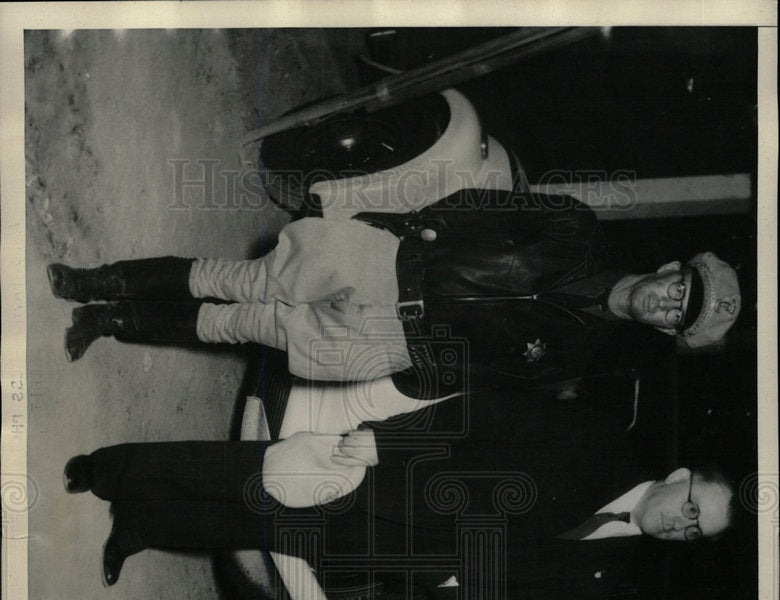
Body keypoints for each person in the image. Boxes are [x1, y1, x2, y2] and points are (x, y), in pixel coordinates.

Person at [62, 390, 736, 600]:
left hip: (393, 554)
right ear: (678, 475)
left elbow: (503, 599)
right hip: (388, 478)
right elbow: (481, 411)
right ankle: (110, 470)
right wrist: (387, 440)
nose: (684, 524)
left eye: (697, 531)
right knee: (244, 474)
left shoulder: (611, 574)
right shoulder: (594, 439)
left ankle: (143, 524)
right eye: (694, 506)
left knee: (250, 524)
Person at [47, 190, 742, 395]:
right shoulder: (576, 230)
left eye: (676, 314)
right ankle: (96, 280)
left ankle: (110, 321)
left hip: (387, 339)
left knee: (239, 327)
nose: (664, 301)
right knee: (234, 280)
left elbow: (471, 374)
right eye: (678, 288)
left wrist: (401, 348)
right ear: (671, 267)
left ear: (664, 331)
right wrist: (411, 230)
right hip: (389, 263)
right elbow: (480, 204)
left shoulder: (573, 357)